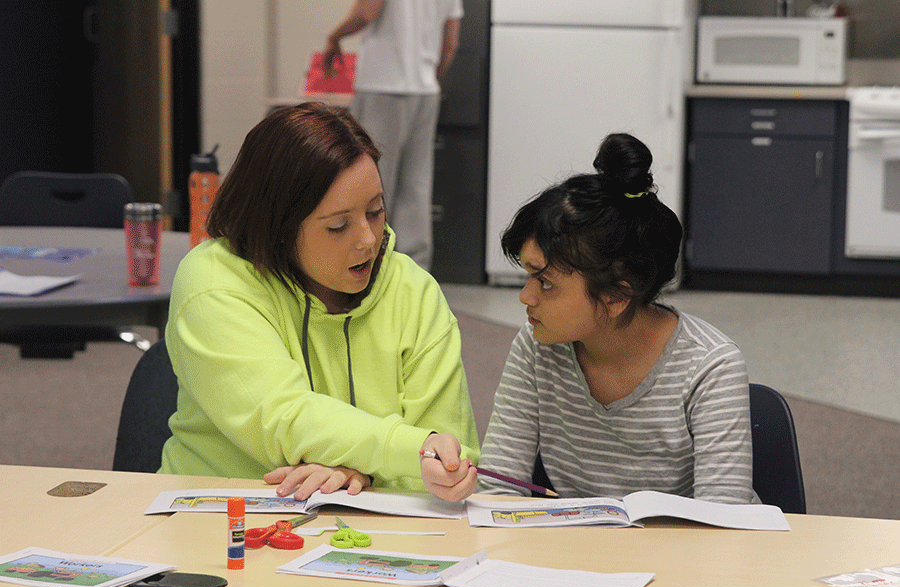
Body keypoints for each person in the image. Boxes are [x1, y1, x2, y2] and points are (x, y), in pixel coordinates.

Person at [158, 102, 479, 502]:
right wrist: (396, 454)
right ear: (276, 225)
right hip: (218, 518)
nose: (367, 239)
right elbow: (282, 419)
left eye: (376, 211)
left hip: (376, 532)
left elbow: (447, 455)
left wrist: (357, 472)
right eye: (338, 225)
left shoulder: (414, 292)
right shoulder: (212, 281)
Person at [423, 132, 758, 504]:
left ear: (615, 294)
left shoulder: (709, 366)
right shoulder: (537, 347)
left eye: (546, 283)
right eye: (528, 276)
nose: (525, 296)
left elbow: (724, 523)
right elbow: (500, 490)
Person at [321, 0, 463, 271]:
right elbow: (451, 43)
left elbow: (366, 12)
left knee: (371, 180)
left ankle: (367, 268)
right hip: (425, 91)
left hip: (382, 86)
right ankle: (414, 275)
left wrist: (334, 37)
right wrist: (427, 78)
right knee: (417, 185)